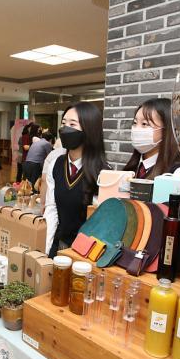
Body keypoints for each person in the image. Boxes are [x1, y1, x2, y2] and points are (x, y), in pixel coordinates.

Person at [44, 102, 108, 257]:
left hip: (86, 254)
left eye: (72, 124)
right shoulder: (56, 164)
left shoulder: (103, 173)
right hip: (59, 245)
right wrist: (45, 249)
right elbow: (51, 209)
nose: (65, 129)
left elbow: (102, 224)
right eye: (63, 123)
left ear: (89, 129)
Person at [122, 98, 180, 179]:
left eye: (145, 124)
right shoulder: (135, 168)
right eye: (135, 123)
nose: (136, 129)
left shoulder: (178, 174)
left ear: (167, 130)